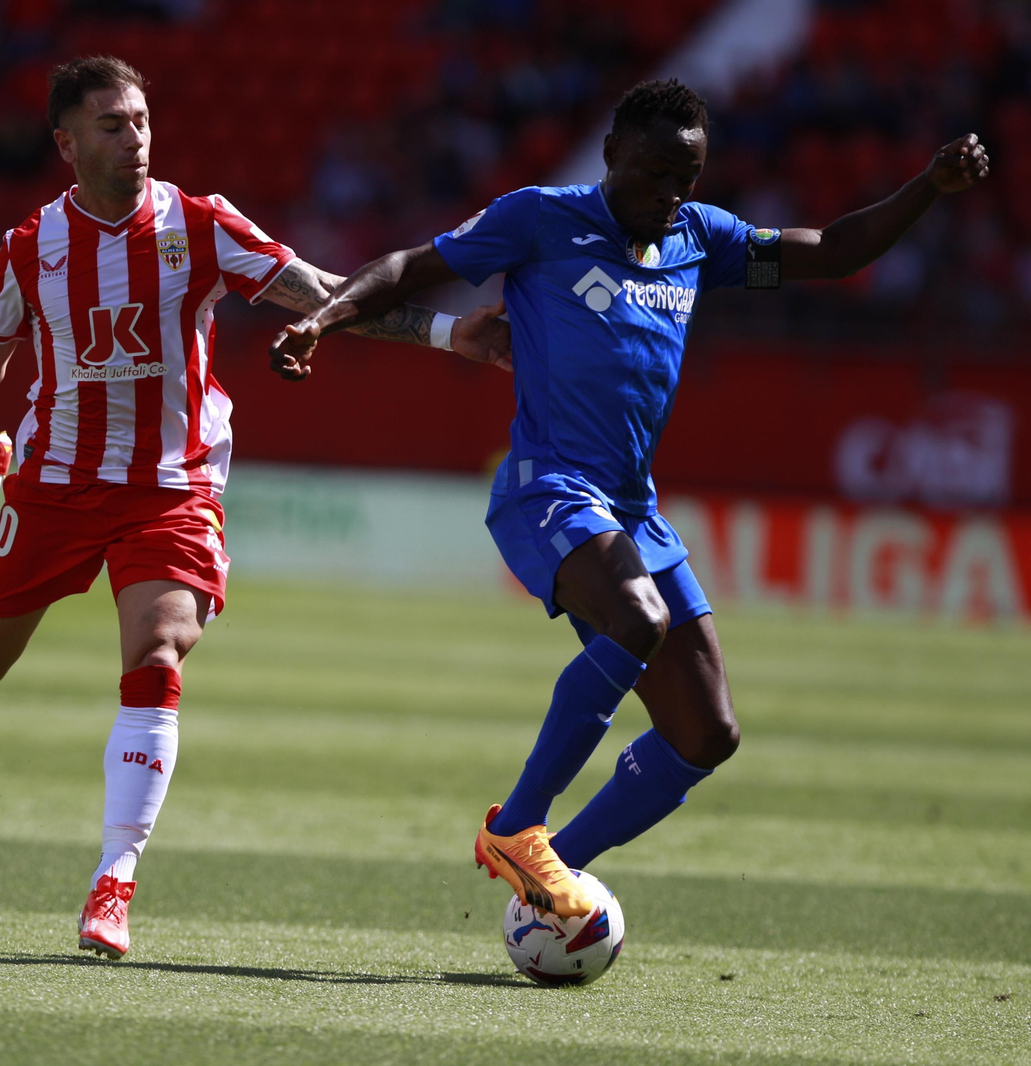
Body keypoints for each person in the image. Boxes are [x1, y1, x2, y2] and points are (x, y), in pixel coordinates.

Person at [271, 78, 990, 918]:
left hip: (632, 509)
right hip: (548, 487)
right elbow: (409, 265)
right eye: (653, 172)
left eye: (685, 175)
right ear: (612, 154)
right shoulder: (540, 217)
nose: (669, 193)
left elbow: (832, 251)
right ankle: (517, 824)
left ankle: (553, 872)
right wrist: (325, 319)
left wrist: (928, 190)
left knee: (706, 733)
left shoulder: (702, 236)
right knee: (637, 621)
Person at [0, 55, 508, 959]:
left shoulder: (197, 226)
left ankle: (113, 883)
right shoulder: (27, 249)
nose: (134, 138)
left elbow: (321, 295)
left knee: (159, 643)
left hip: (172, 484)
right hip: (54, 482)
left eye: (140, 121)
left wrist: (447, 333)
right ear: (66, 143)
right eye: (111, 125)